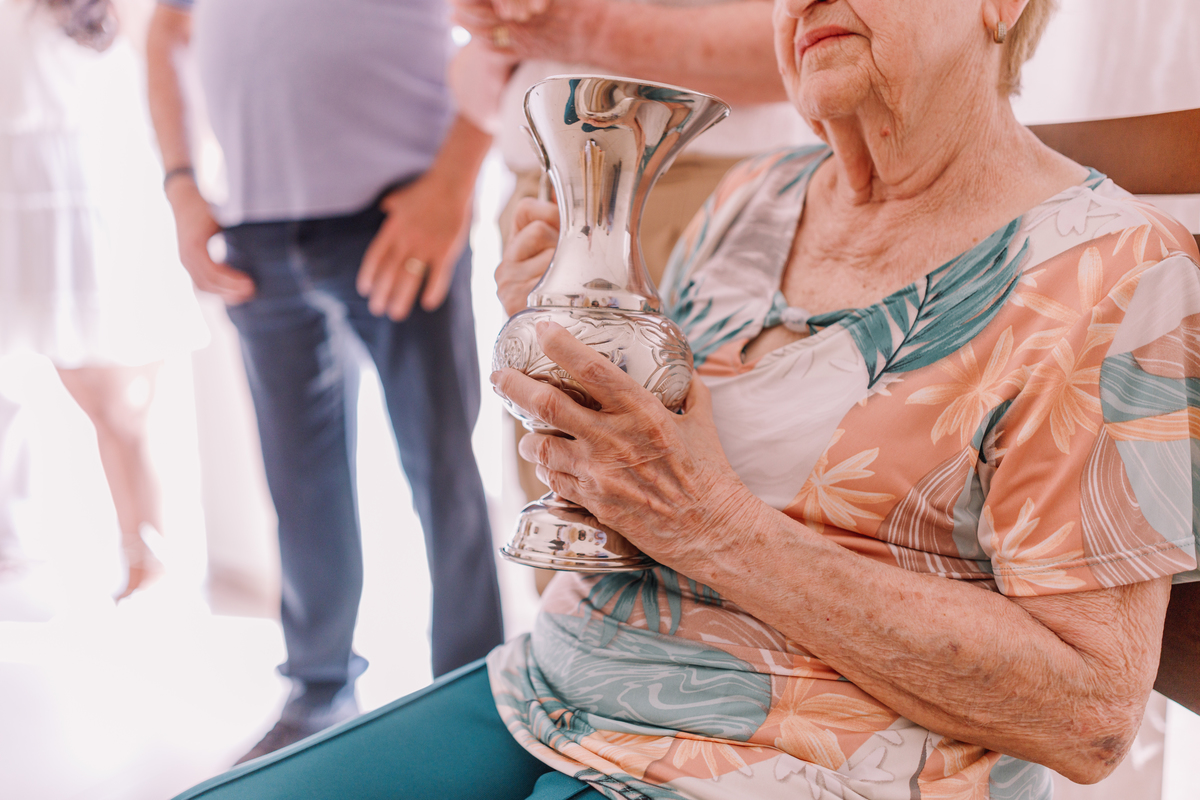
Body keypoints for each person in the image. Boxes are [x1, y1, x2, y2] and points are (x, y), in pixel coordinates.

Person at [169, 0, 1200, 798]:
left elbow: (1090, 710)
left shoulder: (1117, 274)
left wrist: (716, 526)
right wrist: (573, 369)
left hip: (788, 755)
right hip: (556, 685)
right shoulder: (750, 199)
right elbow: (619, 506)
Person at [145, 0, 505, 762]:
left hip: (399, 219)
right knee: (298, 482)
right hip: (256, 233)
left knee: (443, 474)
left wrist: (453, 183)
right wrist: (180, 184)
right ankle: (317, 691)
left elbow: (511, 27)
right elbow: (165, 30)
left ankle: (475, 704)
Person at [449, 0, 821, 592]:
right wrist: (496, 31)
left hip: (692, 177)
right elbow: (475, 78)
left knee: (692, 469)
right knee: (556, 442)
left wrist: (572, 28)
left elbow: (799, 38)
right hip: (547, 174)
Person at [0, 0, 208, 600]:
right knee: (83, 402)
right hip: (26, 200)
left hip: (98, 200)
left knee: (114, 403)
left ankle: (149, 554)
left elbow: (167, 73)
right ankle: (129, 552)